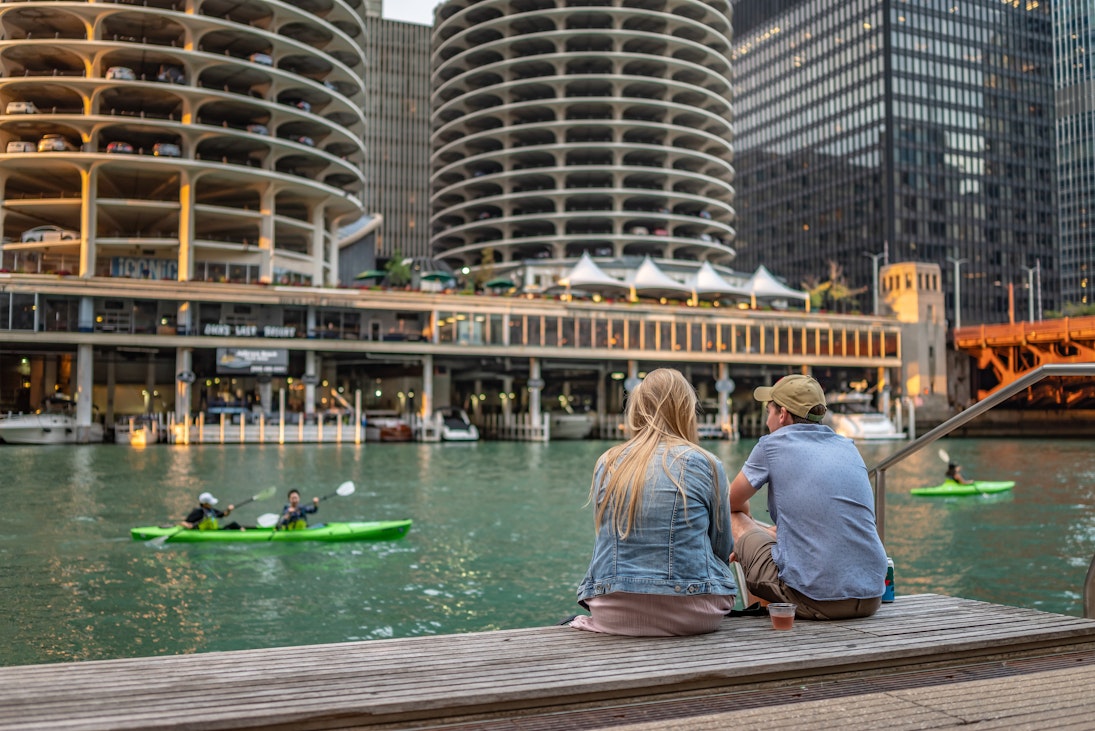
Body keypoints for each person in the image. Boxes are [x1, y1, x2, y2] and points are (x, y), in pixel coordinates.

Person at [570, 368, 737, 636]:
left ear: (637, 409)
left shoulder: (608, 462)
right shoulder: (706, 463)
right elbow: (722, 548)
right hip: (694, 612)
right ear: (687, 410)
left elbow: (604, 538)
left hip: (612, 610)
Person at [729, 374, 887, 620]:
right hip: (871, 597)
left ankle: (765, 618)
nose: (767, 419)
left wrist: (749, 530)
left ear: (782, 414)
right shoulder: (847, 446)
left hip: (816, 600)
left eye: (768, 411)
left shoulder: (771, 445)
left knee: (735, 520)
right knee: (767, 538)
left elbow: (731, 502)